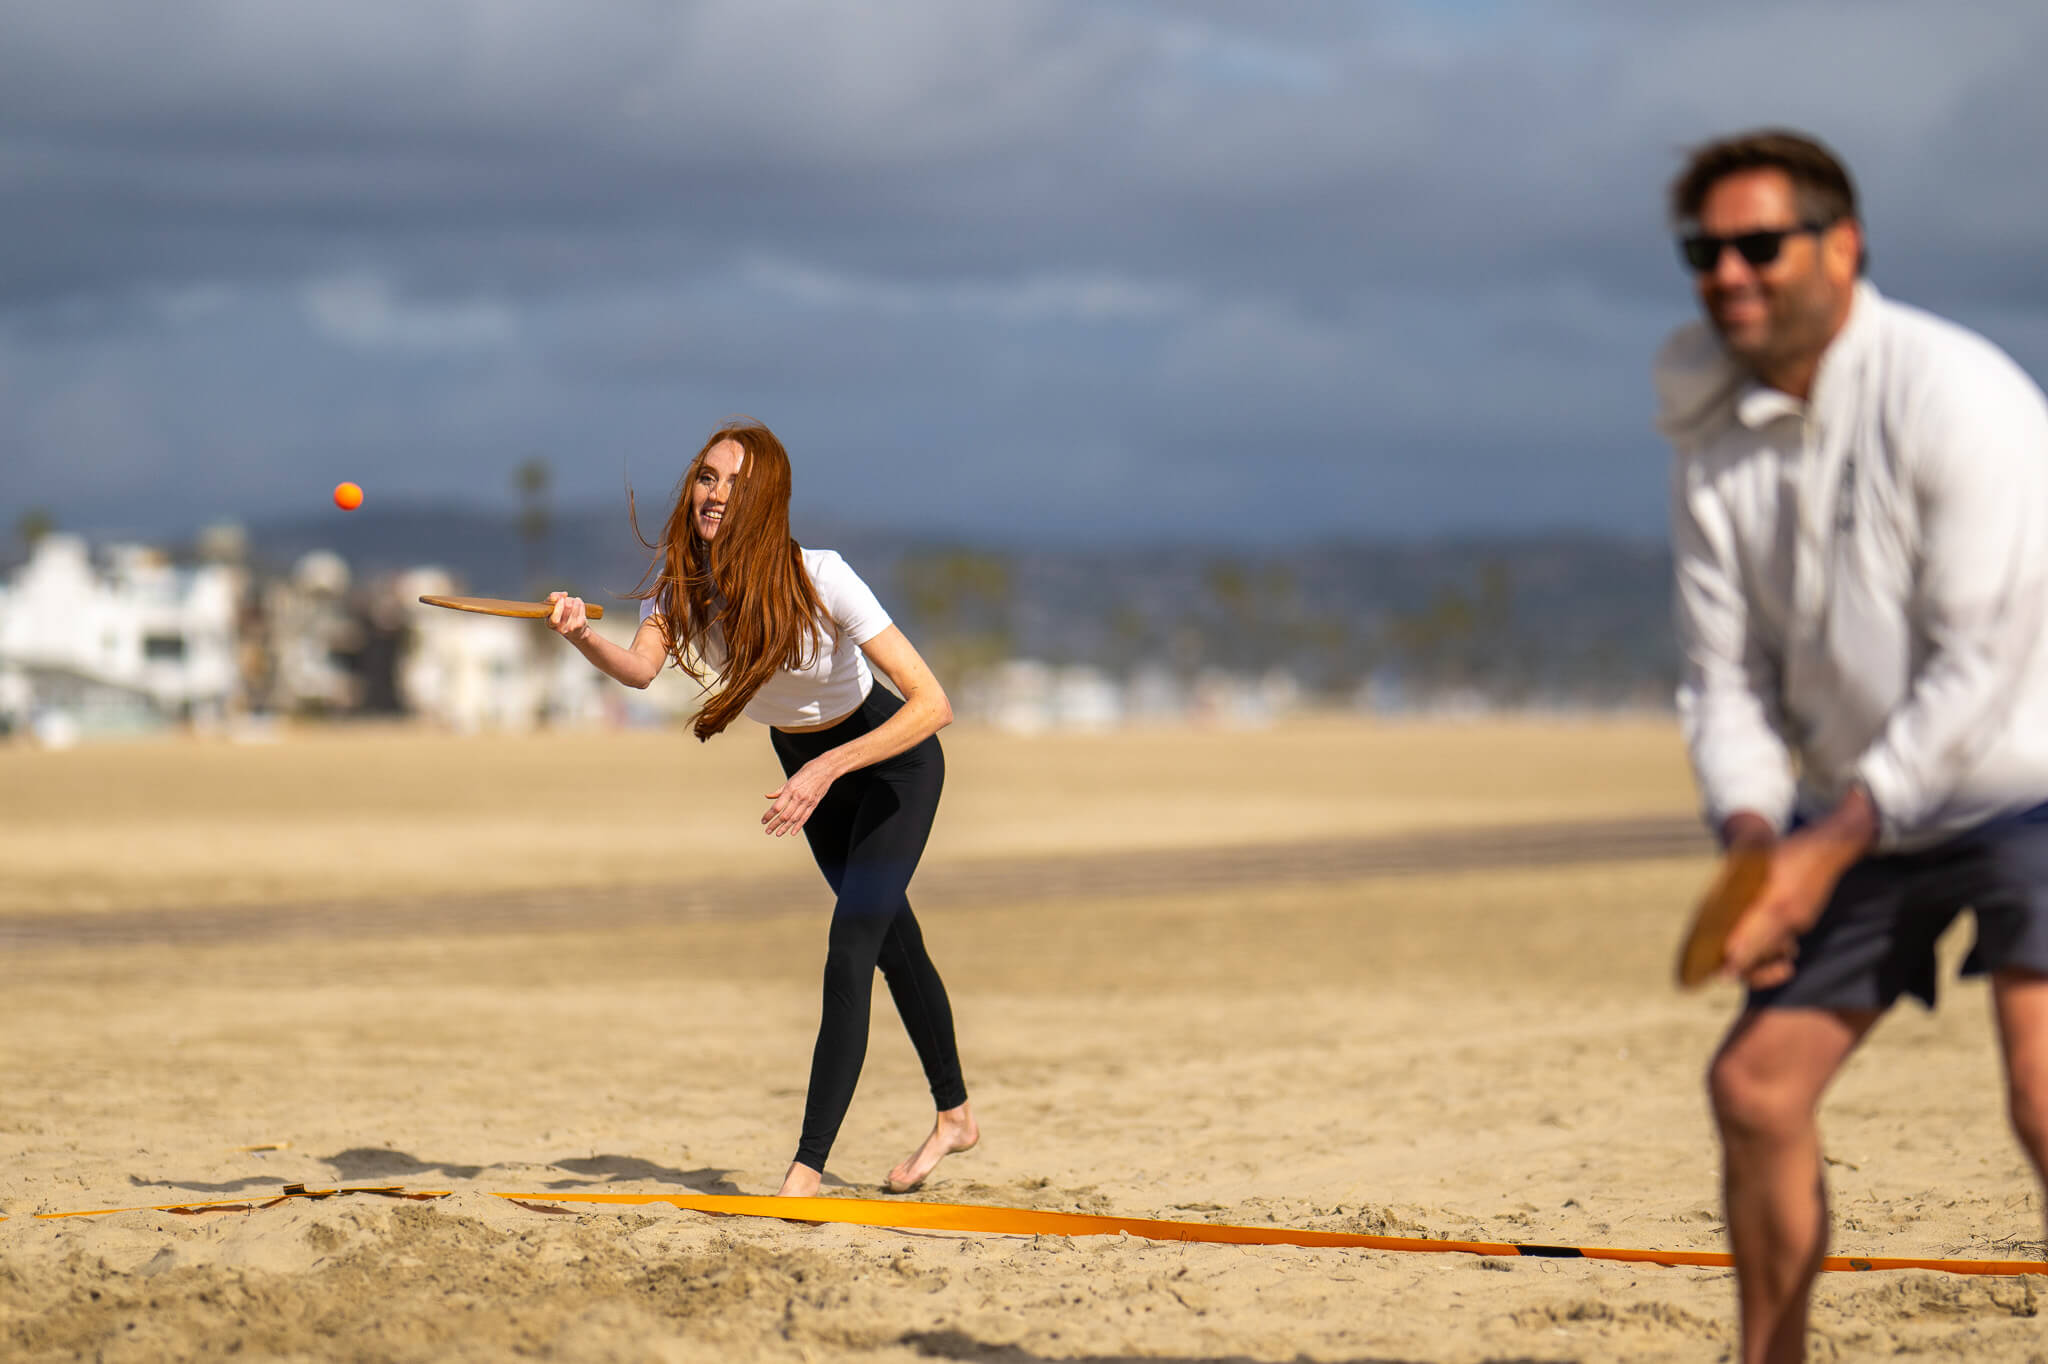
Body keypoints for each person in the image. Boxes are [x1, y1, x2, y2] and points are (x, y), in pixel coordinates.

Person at [1654, 128, 2048, 1363]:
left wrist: (1822, 848)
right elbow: (1722, 677)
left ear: (1840, 246)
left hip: (2027, 782)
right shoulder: (1712, 435)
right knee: (1752, 1088)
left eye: (1758, 245)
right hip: (1857, 811)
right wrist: (1754, 845)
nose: (1728, 274)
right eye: (1704, 253)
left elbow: (1981, 661)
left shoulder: (1956, 392)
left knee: (2042, 1088)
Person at [544, 420, 977, 1198]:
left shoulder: (822, 577)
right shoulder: (681, 588)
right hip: (806, 766)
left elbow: (932, 704)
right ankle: (956, 1118)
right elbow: (639, 670)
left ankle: (805, 1171)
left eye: (736, 485)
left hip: (891, 763)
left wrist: (826, 769)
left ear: (767, 501)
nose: (715, 495)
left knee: (852, 945)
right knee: (890, 941)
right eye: (707, 477)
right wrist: (580, 636)